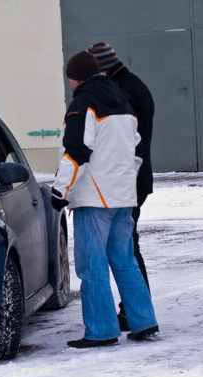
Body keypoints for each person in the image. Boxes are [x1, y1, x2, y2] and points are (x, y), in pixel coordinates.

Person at [51, 51, 159, 348]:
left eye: (70, 77)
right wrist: (128, 188)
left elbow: (76, 152)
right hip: (123, 197)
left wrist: (60, 191)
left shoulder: (83, 104)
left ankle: (101, 330)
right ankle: (144, 320)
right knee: (124, 261)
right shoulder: (123, 103)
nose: (70, 82)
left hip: (94, 199)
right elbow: (136, 150)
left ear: (77, 77)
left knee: (92, 266)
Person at [88, 42, 156, 331]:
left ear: (101, 67)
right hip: (133, 178)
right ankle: (135, 311)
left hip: (126, 180)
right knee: (128, 246)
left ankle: (134, 310)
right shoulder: (131, 84)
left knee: (127, 248)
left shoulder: (122, 92)